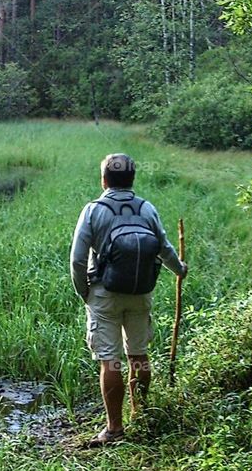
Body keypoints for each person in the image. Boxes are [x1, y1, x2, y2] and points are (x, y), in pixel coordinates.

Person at [70, 153, 187, 447]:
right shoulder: (147, 208)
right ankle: (142, 415)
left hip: (104, 295)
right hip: (140, 293)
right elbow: (164, 248)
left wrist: (84, 292)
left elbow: (77, 259)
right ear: (132, 178)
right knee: (138, 355)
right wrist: (180, 270)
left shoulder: (93, 210)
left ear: (104, 180)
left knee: (110, 362)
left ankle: (114, 429)